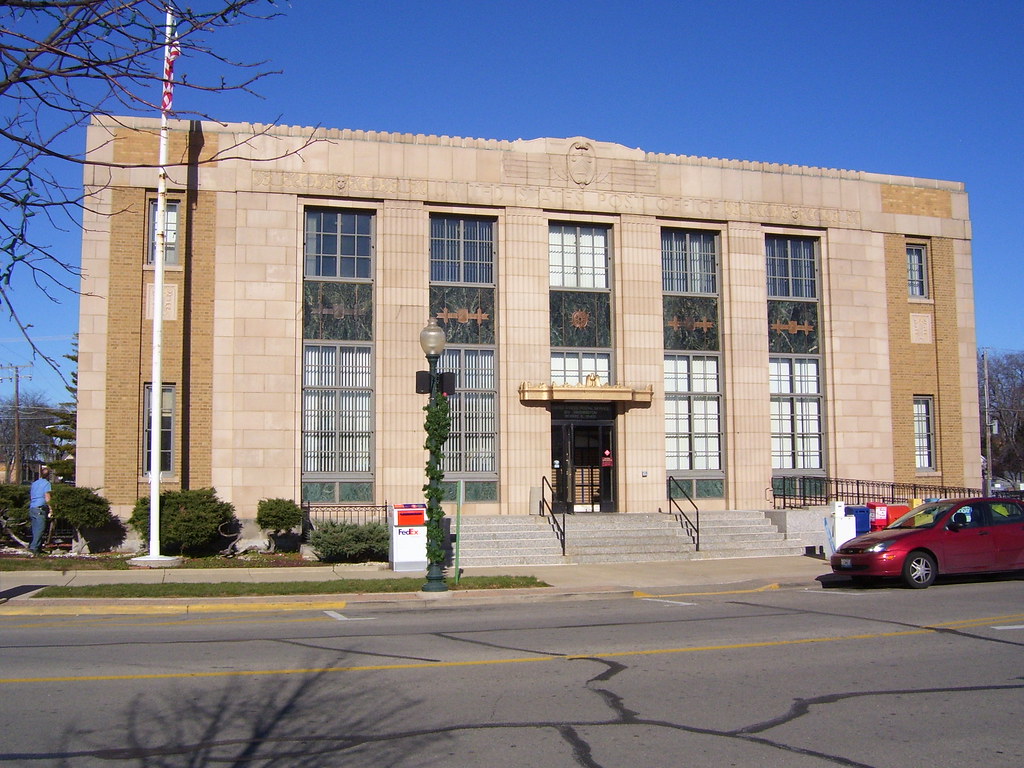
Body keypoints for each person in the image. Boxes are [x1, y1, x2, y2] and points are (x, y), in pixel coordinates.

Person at [28, 466, 53, 556]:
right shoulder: (47, 484)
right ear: (48, 475)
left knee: (35, 529)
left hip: (32, 508)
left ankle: (38, 548)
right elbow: (47, 496)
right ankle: (34, 547)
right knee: (40, 529)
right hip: (40, 509)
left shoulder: (34, 483)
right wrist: (51, 509)